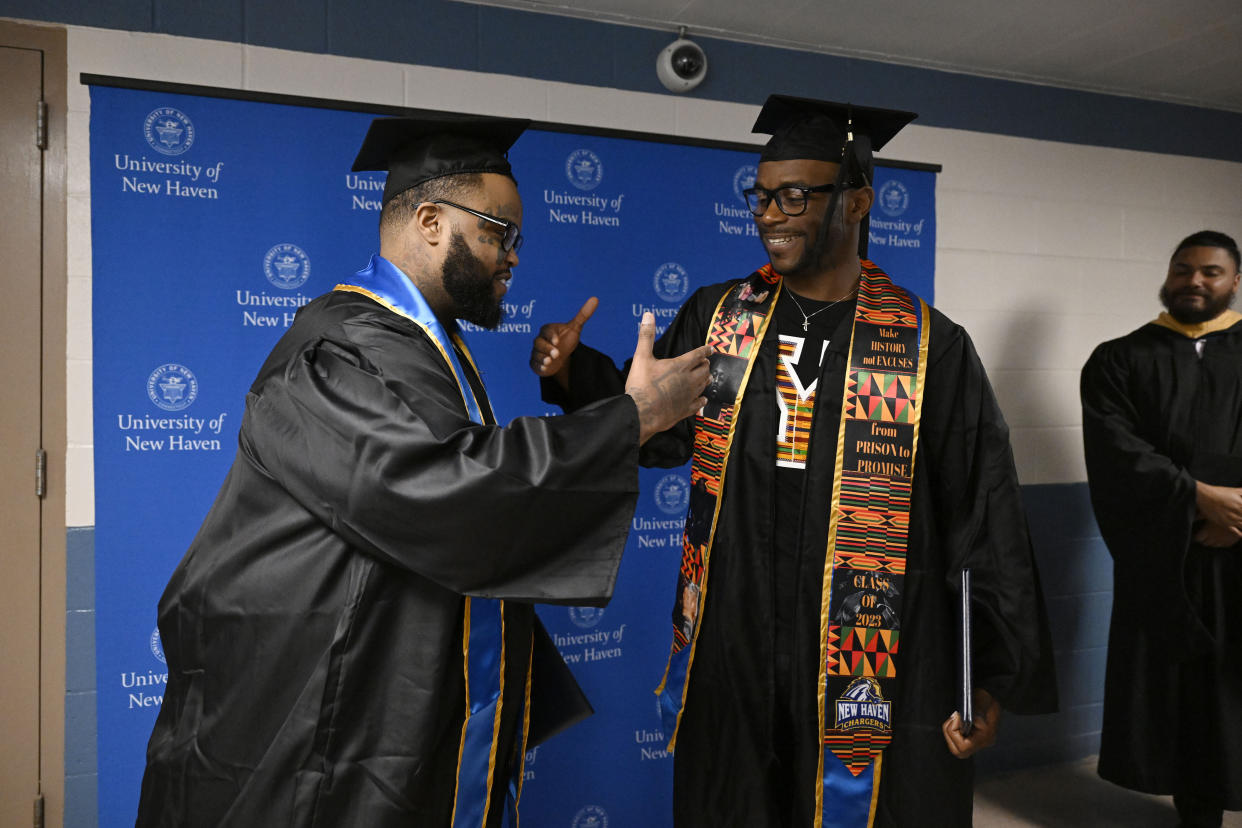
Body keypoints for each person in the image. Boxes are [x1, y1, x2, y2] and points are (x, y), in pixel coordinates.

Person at [134, 114, 712, 828]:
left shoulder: (423, 343)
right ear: (432, 220)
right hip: (311, 719)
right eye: (500, 233)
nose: (514, 258)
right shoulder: (340, 349)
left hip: (382, 698)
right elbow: (450, 492)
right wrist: (631, 418)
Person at [529, 94, 1057, 828]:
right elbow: (661, 423)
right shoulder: (722, 318)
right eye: (762, 195)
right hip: (733, 634)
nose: (770, 213)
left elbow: (982, 509)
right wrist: (574, 373)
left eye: (796, 195)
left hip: (869, 643)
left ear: (858, 202)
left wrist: (985, 674)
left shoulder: (928, 345)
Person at [1082, 230, 1242, 828]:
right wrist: (1198, 497)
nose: (1195, 282)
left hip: (1239, 553)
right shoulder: (1119, 358)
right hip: (1166, 557)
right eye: (1183, 270)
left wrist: (1239, 516)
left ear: (1234, 280)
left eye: (1211, 272)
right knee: (1181, 693)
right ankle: (1195, 809)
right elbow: (1117, 449)